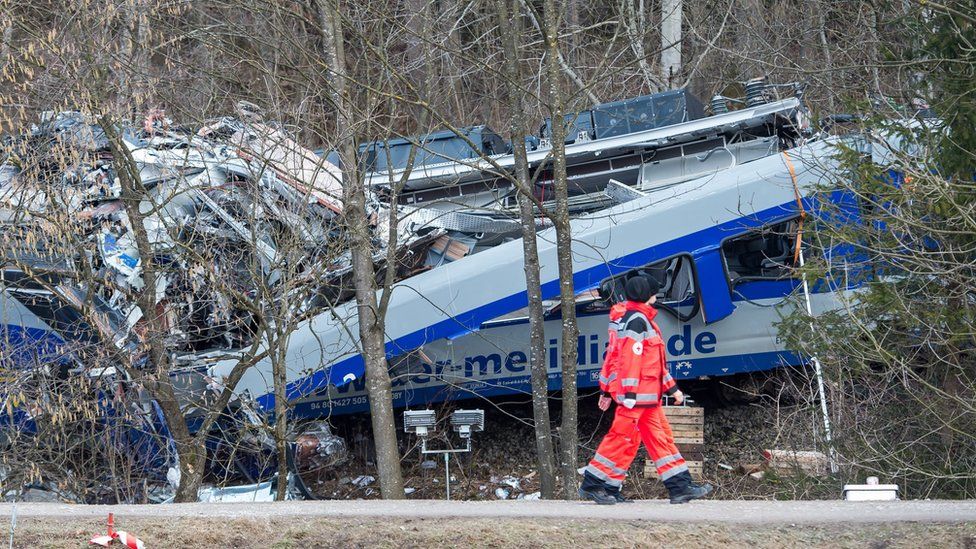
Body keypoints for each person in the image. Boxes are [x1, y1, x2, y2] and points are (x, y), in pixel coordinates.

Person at [579, 275, 713, 505]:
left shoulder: (641, 319)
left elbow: (656, 365)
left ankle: (679, 487)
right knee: (621, 439)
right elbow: (629, 360)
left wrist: (673, 390)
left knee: (661, 439)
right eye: (654, 290)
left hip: (647, 398)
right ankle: (593, 485)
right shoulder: (636, 321)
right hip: (637, 397)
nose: (657, 294)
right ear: (646, 294)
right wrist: (628, 394)